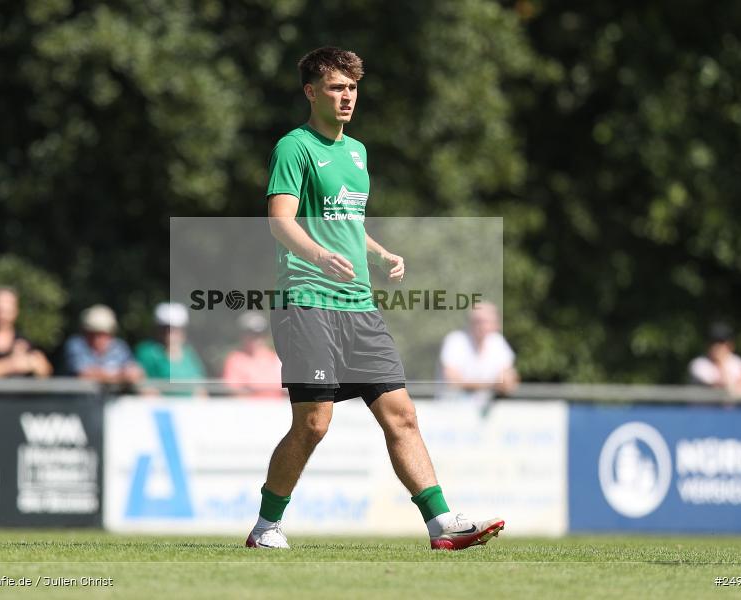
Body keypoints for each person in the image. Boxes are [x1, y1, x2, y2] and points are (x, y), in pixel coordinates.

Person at [246, 47, 503, 551]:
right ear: (311, 92)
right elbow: (280, 222)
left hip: (359, 306)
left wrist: (381, 253)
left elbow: (349, 224)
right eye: (337, 87)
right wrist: (319, 256)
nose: (347, 97)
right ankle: (265, 527)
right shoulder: (294, 147)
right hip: (308, 301)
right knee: (315, 422)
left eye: (353, 88)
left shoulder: (358, 153)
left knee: (402, 414)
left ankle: (441, 524)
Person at [438, 302, 519, 402]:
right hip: (453, 408)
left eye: (486, 322)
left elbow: (509, 379)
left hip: (486, 410)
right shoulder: (455, 341)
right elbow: (452, 379)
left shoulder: (498, 342)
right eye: (478, 321)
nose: (482, 326)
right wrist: (492, 385)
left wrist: (504, 382)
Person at [135, 302, 207, 396]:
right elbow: (143, 386)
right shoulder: (146, 352)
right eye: (166, 328)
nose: (170, 333)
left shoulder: (189, 353)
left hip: (190, 408)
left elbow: (200, 388)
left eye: (175, 329)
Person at [63, 304, 144, 386]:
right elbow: (84, 374)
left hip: (112, 398)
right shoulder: (75, 344)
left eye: (102, 334)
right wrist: (119, 376)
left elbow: (135, 373)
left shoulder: (119, 347)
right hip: (78, 398)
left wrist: (104, 376)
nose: (97, 338)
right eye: (92, 333)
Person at [0, 286, 52, 378]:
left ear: (16, 311)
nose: (2, 316)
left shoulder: (24, 342)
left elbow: (45, 371)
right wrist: (11, 364)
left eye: (7, 311)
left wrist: (35, 363)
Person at [221, 312, 284, 398]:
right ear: (242, 335)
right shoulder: (235, 360)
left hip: (279, 409)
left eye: (260, 333)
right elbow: (234, 392)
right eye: (250, 333)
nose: (256, 338)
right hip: (248, 410)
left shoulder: (277, 359)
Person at [688, 322, 741, 397]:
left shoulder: (737, 362)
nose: (718, 347)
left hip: (733, 408)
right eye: (714, 342)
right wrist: (721, 363)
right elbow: (721, 388)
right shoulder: (699, 364)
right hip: (704, 408)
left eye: (721, 343)